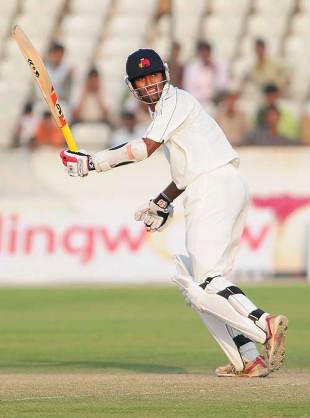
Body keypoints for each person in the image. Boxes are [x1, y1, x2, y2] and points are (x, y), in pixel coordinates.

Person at [60, 49, 288, 377]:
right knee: (197, 282)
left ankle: (263, 324)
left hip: (212, 189)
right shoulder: (171, 115)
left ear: (165, 74)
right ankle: (248, 359)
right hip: (226, 185)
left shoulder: (174, 100)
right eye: (142, 79)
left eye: (153, 75)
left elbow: (141, 149)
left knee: (206, 282)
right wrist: (162, 201)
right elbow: (184, 173)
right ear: (133, 86)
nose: (150, 83)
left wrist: (90, 163)